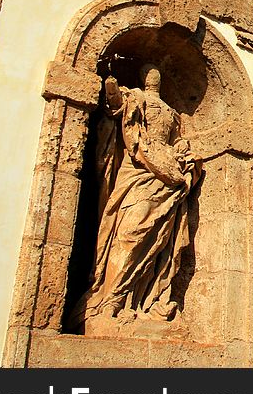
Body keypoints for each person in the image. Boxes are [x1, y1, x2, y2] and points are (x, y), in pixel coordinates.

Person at [70, 63, 201, 332]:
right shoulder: (135, 97)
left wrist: (182, 153)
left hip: (166, 177)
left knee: (158, 240)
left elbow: (176, 141)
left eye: (157, 71)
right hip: (138, 170)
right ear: (142, 76)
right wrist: (111, 88)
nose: (154, 73)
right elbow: (116, 108)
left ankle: (142, 300)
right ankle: (109, 301)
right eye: (149, 70)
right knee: (129, 232)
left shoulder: (172, 111)